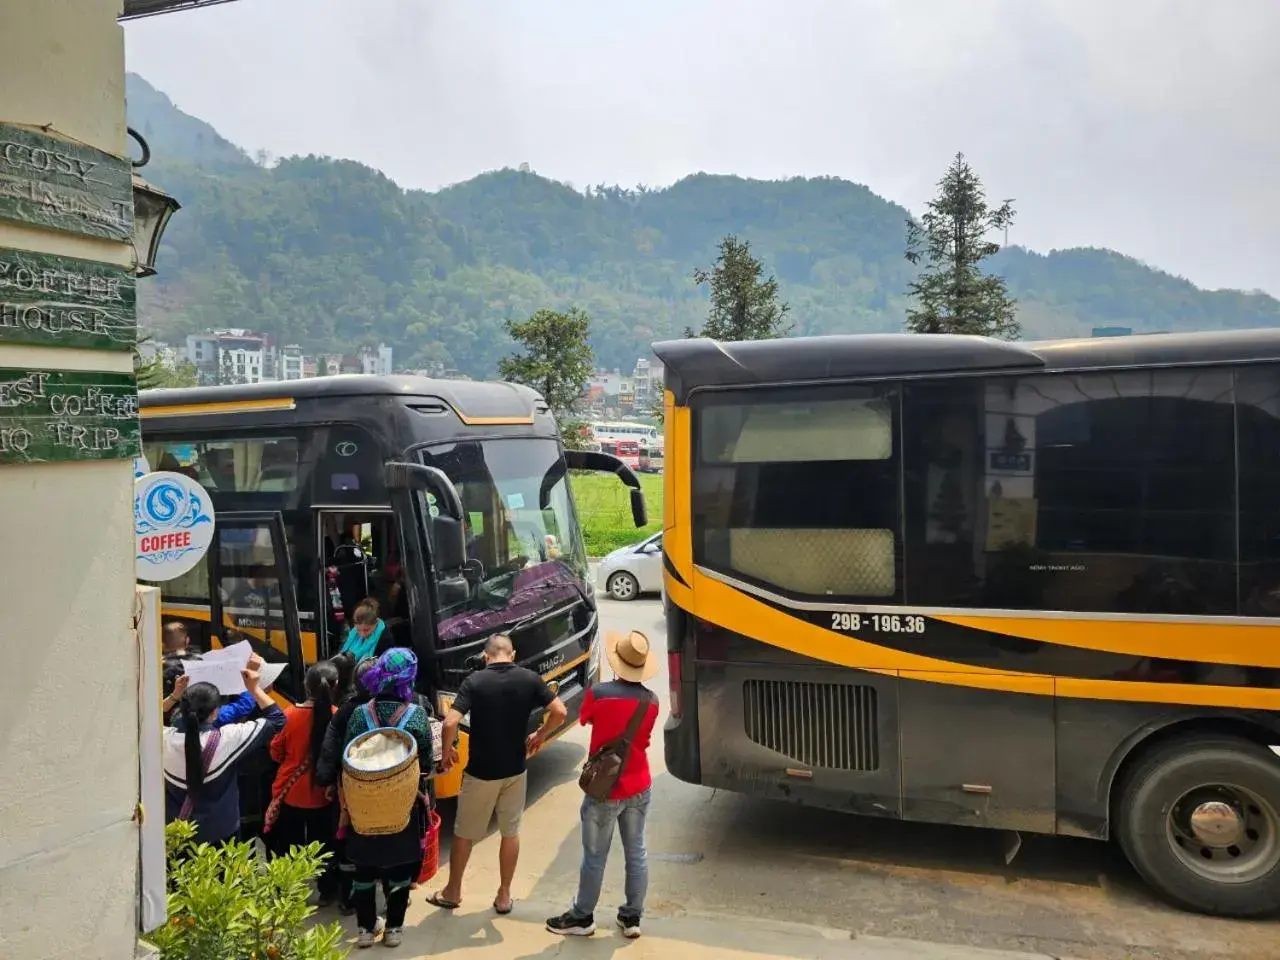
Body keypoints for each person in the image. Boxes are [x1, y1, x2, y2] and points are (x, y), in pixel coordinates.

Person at [429, 634, 566, 915]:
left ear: (486, 655)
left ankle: (453, 891)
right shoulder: (529, 679)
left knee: (464, 834)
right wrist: (540, 734)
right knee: (510, 832)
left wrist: (447, 752)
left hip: (481, 772)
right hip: (516, 769)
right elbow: (560, 711)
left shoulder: (474, 681)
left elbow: (451, 721)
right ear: (512, 654)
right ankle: (504, 895)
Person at [546, 630, 660, 939]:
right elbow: (645, 740)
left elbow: (585, 720)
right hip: (639, 784)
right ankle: (632, 917)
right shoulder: (652, 701)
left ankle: (582, 917)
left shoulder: (599, 694)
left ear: (617, 663)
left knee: (595, 856)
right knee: (637, 852)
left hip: (604, 789)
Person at [316, 648, 432, 949]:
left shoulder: (358, 713)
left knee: (363, 870)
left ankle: (366, 930)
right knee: (400, 871)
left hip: (362, 808)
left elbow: (347, 758)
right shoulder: (416, 715)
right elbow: (427, 765)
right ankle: (394, 929)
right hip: (401, 809)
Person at [163, 654, 286, 846]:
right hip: (221, 836)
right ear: (215, 712)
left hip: (179, 834)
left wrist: (173, 696)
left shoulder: (163, 739)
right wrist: (253, 688)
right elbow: (278, 720)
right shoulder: (227, 739)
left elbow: (144, 717)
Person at [265, 660, 341, 903]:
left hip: (291, 792)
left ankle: (288, 892)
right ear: (335, 685)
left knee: (289, 844)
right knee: (324, 844)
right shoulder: (337, 716)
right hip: (324, 793)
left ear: (305, 686)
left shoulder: (289, 715)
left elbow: (275, 752)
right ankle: (328, 890)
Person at [339, 598, 387, 663]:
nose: (362, 634)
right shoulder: (351, 635)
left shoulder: (385, 638)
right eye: (358, 630)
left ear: (376, 623)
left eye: (366, 630)